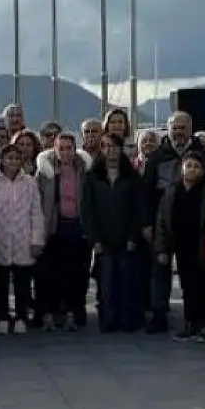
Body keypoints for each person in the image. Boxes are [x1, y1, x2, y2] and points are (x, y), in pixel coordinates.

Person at [0, 143, 46, 334]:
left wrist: (37, 239)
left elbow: (36, 213)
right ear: (2, 160)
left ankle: (21, 316)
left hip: (24, 240)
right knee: (0, 283)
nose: (13, 162)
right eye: (9, 158)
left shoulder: (30, 182)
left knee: (22, 283)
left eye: (16, 158)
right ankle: (2, 317)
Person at [81, 132, 144, 333]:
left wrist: (134, 236)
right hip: (103, 239)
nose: (110, 150)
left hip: (126, 238)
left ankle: (127, 319)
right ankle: (107, 320)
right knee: (106, 282)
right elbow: (86, 210)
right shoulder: (93, 176)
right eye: (106, 146)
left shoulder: (131, 177)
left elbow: (138, 209)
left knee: (126, 280)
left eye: (114, 146)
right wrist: (95, 240)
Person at [154, 152, 205, 342]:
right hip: (180, 245)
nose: (192, 170)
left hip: (201, 245)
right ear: (181, 168)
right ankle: (189, 323)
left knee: (203, 286)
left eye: (197, 167)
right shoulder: (172, 192)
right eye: (189, 166)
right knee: (187, 286)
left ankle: (203, 324)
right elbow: (162, 221)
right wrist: (162, 248)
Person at [35, 131, 92, 331]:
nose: (66, 152)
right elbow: (38, 200)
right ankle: (49, 314)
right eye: (61, 148)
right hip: (53, 228)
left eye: (69, 148)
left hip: (77, 227)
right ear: (54, 150)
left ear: (75, 150)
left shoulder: (84, 170)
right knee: (50, 275)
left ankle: (72, 313)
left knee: (76, 275)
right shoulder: (45, 171)